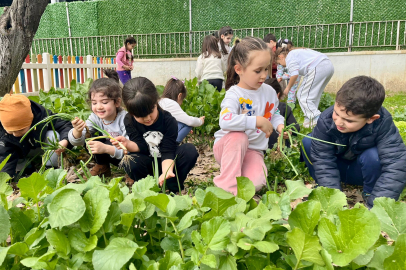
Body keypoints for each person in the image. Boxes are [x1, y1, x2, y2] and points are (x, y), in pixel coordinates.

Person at [302, 76, 406, 208]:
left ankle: (370, 193)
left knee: (374, 156)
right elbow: (323, 160)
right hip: (337, 167)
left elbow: (396, 164)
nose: (338, 122)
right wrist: (332, 200)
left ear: (371, 119)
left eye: (349, 120)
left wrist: (379, 207)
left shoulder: (383, 124)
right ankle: (324, 187)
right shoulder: (326, 120)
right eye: (336, 113)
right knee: (309, 142)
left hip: (361, 172)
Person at [213, 37, 288, 195]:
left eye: (266, 69)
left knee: (256, 184)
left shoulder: (269, 92)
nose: (264, 75)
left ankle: (237, 173)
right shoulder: (234, 94)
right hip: (229, 147)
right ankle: (226, 189)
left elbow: (274, 113)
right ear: (239, 69)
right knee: (239, 137)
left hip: (254, 150)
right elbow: (225, 121)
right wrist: (255, 121)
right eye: (257, 71)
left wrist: (280, 125)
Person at [112, 77, 199, 192]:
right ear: (131, 113)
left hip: (168, 162)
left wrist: (166, 172)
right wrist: (127, 143)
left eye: (150, 111)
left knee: (189, 150)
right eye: (140, 116)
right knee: (130, 161)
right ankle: (147, 187)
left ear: (156, 101)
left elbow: (168, 151)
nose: (148, 119)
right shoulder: (129, 120)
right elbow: (140, 146)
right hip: (147, 162)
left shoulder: (168, 120)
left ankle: (172, 184)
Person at [68, 69, 127, 177]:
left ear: (117, 102)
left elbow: (130, 148)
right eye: (94, 103)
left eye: (104, 102)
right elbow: (77, 142)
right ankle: (102, 166)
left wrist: (105, 148)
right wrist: (78, 130)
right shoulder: (95, 117)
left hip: (127, 157)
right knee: (90, 138)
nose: (99, 107)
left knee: (135, 157)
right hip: (111, 153)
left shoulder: (125, 119)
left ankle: (131, 172)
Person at [0, 94, 72, 178]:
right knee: (6, 151)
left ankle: (51, 168)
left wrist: (65, 140)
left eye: (21, 130)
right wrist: (4, 179)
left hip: (39, 147)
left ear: (31, 119)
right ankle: (24, 170)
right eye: (11, 131)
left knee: (52, 135)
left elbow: (64, 124)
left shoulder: (42, 116)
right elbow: (4, 155)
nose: (16, 134)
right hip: (17, 152)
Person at [274, 45, 334, 128]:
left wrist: (288, 88)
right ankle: (310, 121)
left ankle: (318, 119)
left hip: (317, 67)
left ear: (280, 57)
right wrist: (282, 77)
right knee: (313, 96)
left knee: (302, 96)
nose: (283, 66)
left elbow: (294, 75)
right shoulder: (295, 53)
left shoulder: (289, 57)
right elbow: (293, 73)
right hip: (328, 66)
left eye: (280, 63)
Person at [159, 77, 205, 143]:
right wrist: (200, 121)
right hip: (165, 141)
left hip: (157, 135)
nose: (182, 102)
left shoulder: (161, 101)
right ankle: (173, 145)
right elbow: (190, 121)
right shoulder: (171, 104)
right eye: (183, 99)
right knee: (188, 124)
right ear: (179, 96)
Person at [264, 78, 300, 149]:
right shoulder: (284, 107)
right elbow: (296, 128)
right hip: (277, 147)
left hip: (267, 147)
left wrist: (287, 131)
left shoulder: (282, 108)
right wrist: (290, 131)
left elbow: (295, 128)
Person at [275, 39, 301, 105]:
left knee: (291, 89)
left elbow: (293, 74)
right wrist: (278, 77)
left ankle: (291, 104)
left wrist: (282, 77)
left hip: (295, 75)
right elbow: (280, 69)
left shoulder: (292, 58)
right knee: (289, 89)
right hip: (289, 74)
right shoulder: (280, 57)